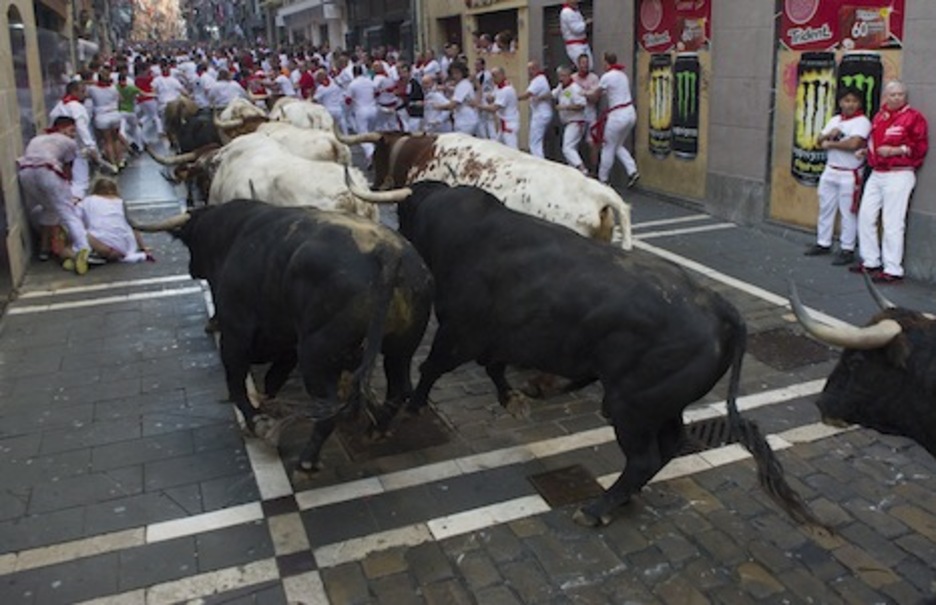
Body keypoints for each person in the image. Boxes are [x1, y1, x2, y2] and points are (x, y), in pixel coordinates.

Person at [850, 80, 929, 283]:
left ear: (905, 96)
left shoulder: (914, 118)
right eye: (892, 94)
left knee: (892, 222)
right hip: (877, 173)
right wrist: (865, 152)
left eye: (900, 94)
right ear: (885, 96)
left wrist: (897, 150)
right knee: (866, 216)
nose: (896, 98)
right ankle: (870, 261)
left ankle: (893, 269)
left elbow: (920, 147)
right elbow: (873, 143)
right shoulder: (879, 116)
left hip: (899, 173)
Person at [804, 88, 871, 265]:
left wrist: (831, 144)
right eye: (846, 100)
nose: (850, 104)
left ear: (859, 103)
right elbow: (819, 140)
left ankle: (847, 248)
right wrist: (828, 135)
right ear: (840, 102)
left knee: (848, 212)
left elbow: (854, 143)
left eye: (854, 101)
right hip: (831, 169)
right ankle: (823, 242)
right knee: (825, 207)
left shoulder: (862, 121)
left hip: (850, 173)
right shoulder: (835, 120)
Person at [16, 116, 91, 274]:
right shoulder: (69, 143)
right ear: (62, 128)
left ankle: (44, 250)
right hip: (48, 171)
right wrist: (69, 193)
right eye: (71, 131)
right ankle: (84, 248)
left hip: (25, 173)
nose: (73, 135)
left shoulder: (37, 139)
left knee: (49, 208)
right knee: (67, 212)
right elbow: (68, 169)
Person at [590, 52, 639, 187]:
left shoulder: (607, 76)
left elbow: (595, 96)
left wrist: (583, 93)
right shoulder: (622, 75)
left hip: (617, 115)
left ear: (606, 62)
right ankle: (632, 171)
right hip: (630, 113)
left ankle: (603, 180)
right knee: (617, 145)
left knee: (608, 147)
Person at [79, 178, 154, 264]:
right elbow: (133, 225)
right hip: (122, 250)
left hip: (101, 246)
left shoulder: (88, 201)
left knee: (78, 231)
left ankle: (78, 255)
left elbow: (80, 222)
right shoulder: (120, 202)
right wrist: (143, 247)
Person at [49, 80, 100, 199]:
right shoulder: (76, 107)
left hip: (59, 146)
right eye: (82, 91)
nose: (84, 94)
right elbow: (81, 127)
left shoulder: (59, 105)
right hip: (77, 147)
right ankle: (77, 201)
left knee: (67, 177)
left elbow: (52, 121)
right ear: (74, 91)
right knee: (80, 179)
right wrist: (91, 146)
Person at [554, 66, 589, 174]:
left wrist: (565, 107)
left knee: (567, 148)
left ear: (569, 76)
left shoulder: (575, 88)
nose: (561, 78)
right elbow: (553, 94)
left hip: (576, 122)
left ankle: (582, 169)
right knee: (572, 147)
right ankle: (574, 173)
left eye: (563, 76)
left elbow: (582, 105)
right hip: (568, 122)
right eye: (559, 76)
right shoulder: (562, 87)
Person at [87, 66, 123, 168]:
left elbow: (86, 96)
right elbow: (120, 99)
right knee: (116, 139)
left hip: (101, 117)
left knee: (107, 141)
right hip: (115, 114)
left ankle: (112, 164)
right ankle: (119, 161)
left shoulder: (92, 89)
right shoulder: (113, 88)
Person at [518, 61, 553, 158]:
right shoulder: (540, 79)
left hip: (540, 114)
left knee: (534, 142)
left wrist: (513, 98)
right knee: (537, 140)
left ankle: (539, 162)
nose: (529, 72)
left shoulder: (539, 80)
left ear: (537, 69)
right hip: (541, 113)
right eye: (528, 69)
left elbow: (527, 95)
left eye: (531, 69)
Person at [479, 67, 520, 149]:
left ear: (502, 75)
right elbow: (492, 97)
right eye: (492, 76)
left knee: (512, 149)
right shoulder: (499, 87)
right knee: (498, 147)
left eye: (495, 76)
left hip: (509, 124)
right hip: (503, 123)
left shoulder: (506, 89)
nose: (493, 79)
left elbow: (494, 108)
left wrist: (478, 106)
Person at [572, 53, 600, 172]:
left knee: (591, 143)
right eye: (582, 63)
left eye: (587, 63)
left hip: (590, 113)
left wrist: (582, 94)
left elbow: (595, 98)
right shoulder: (573, 78)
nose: (585, 65)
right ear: (578, 64)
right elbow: (568, 95)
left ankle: (594, 170)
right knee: (573, 142)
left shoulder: (594, 78)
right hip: (576, 115)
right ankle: (577, 169)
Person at [434, 62, 478, 136]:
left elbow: (453, 105)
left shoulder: (463, 85)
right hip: (461, 120)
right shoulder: (460, 85)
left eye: (457, 73)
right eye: (453, 73)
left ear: (463, 73)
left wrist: (438, 107)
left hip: (466, 122)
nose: (455, 76)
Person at [346, 64, 379, 161]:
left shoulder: (353, 84)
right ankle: (376, 153)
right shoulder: (369, 81)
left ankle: (371, 154)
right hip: (373, 109)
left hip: (361, 111)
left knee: (363, 135)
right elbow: (377, 92)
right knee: (372, 133)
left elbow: (348, 100)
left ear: (353, 73)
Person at [313, 69, 346, 134]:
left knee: (330, 130)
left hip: (328, 111)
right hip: (339, 109)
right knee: (343, 128)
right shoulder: (335, 83)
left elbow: (315, 100)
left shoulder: (321, 88)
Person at [560, 0, 592, 66]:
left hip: (583, 43)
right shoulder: (566, 12)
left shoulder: (576, 11)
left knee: (589, 66)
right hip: (575, 45)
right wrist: (586, 24)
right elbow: (576, 29)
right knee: (582, 66)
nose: (576, 1)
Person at [474, 57, 497, 140]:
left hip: (486, 97)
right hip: (483, 97)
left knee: (487, 120)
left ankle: (491, 139)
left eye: (478, 65)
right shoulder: (478, 75)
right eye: (475, 65)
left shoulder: (485, 75)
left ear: (483, 65)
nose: (476, 67)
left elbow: (479, 87)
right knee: (483, 121)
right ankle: (486, 138)